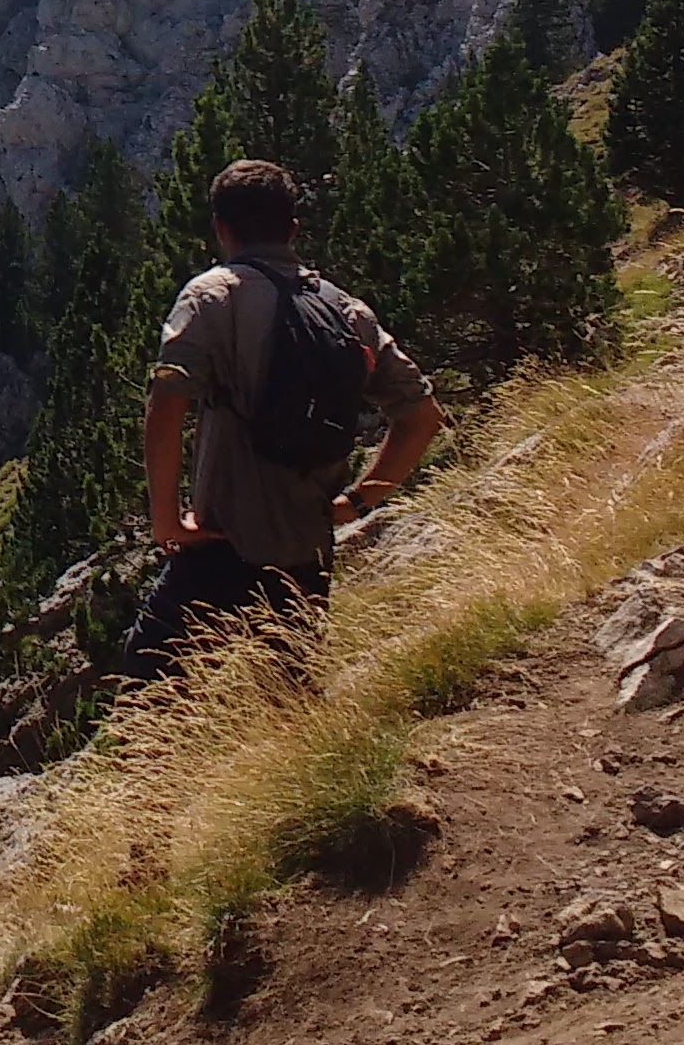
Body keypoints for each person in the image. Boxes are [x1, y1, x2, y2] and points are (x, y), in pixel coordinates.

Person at [113, 155, 444, 684]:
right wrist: (357, 502)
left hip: (222, 542)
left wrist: (166, 520)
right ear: (293, 228)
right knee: (288, 699)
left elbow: (167, 404)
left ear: (222, 229)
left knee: (148, 693)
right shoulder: (346, 311)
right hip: (306, 550)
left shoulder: (212, 296)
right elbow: (422, 416)